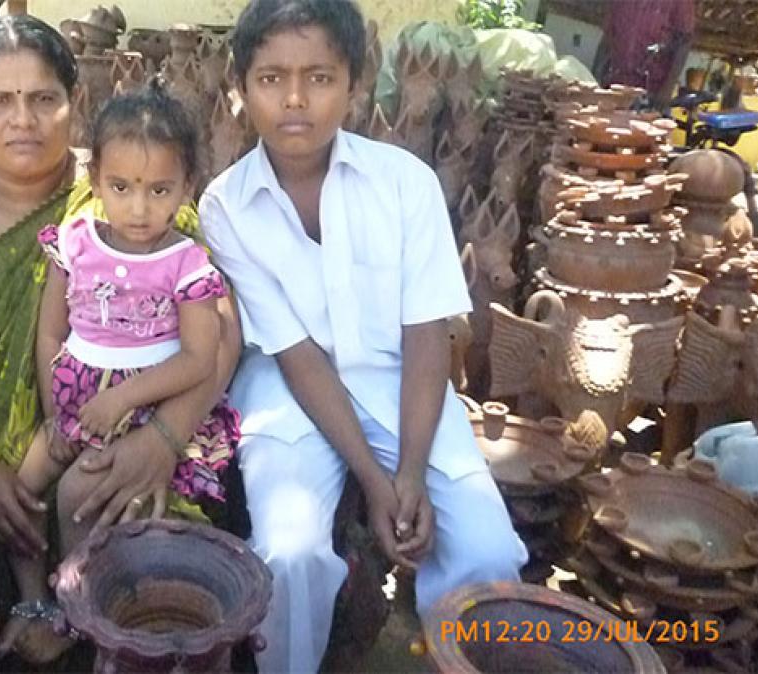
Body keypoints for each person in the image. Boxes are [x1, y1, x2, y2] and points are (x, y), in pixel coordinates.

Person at [0, 14, 242, 664]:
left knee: (160, 572)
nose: (23, 118)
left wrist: (160, 440)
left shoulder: (131, 184)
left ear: (74, 104)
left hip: (149, 418)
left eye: (43, 98)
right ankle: (32, 602)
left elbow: (221, 332)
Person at [199, 1, 526, 671]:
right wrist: (379, 486)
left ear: (355, 83)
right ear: (240, 87)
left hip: (402, 382)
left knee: (487, 555)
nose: (295, 100)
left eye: (319, 77)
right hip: (289, 388)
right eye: (271, 78)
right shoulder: (225, 205)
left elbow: (427, 335)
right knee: (287, 553)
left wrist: (409, 472)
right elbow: (296, 356)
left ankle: (453, 661)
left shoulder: (406, 184)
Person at [4, 77, 241, 652]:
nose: (139, 208)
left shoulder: (185, 263)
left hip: (146, 408)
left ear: (188, 186)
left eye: (160, 190)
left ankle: (84, 614)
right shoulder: (76, 243)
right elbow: (51, 329)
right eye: (122, 186)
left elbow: (198, 359)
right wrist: (58, 408)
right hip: (77, 403)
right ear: (95, 180)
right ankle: (31, 596)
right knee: (20, 493)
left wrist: (124, 401)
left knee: (78, 501)